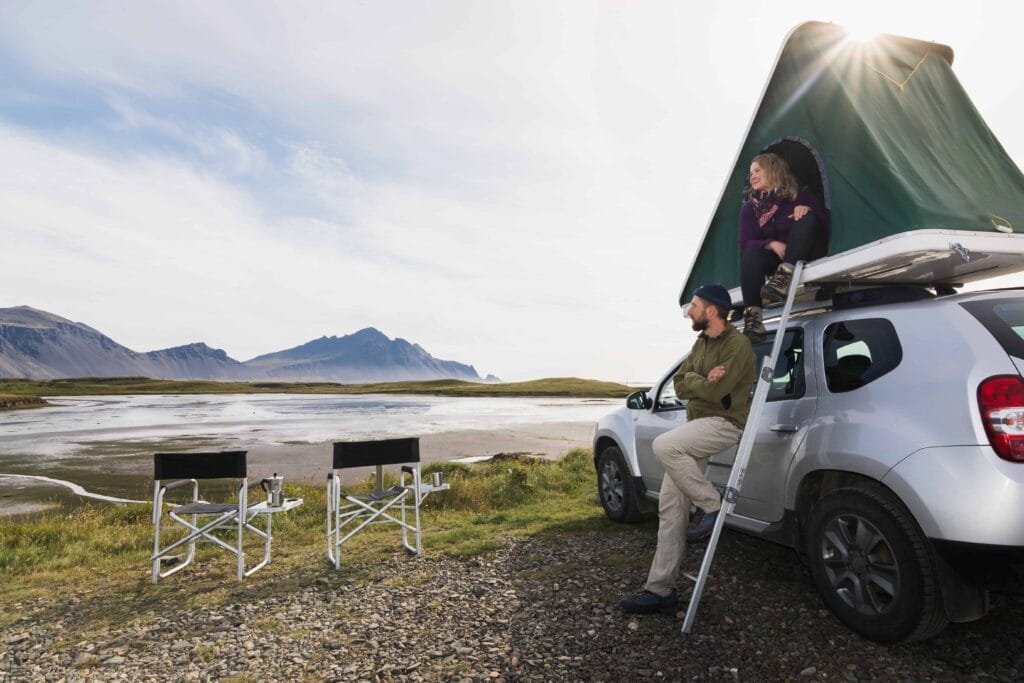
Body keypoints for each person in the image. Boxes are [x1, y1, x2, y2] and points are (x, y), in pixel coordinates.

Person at [619, 283, 756, 616]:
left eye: (693, 306)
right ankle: (660, 590)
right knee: (669, 509)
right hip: (697, 425)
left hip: (725, 424)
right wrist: (701, 381)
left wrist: (705, 384)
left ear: (711, 310)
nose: (689, 312)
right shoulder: (700, 343)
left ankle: (711, 504)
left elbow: (719, 390)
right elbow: (682, 384)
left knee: (664, 444)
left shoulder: (738, 345)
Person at [739, 152, 829, 343]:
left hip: (804, 252)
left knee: (807, 216)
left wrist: (806, 209)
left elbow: (824, 221)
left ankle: (783, 279)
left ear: (772, 170)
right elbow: (746, 241)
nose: (752, 176)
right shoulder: (750, 208)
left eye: (757, 170)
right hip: (776, 258)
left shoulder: (798, 194)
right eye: (750, 173)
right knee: (751, 255)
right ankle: (753, 320)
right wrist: (770, 244)